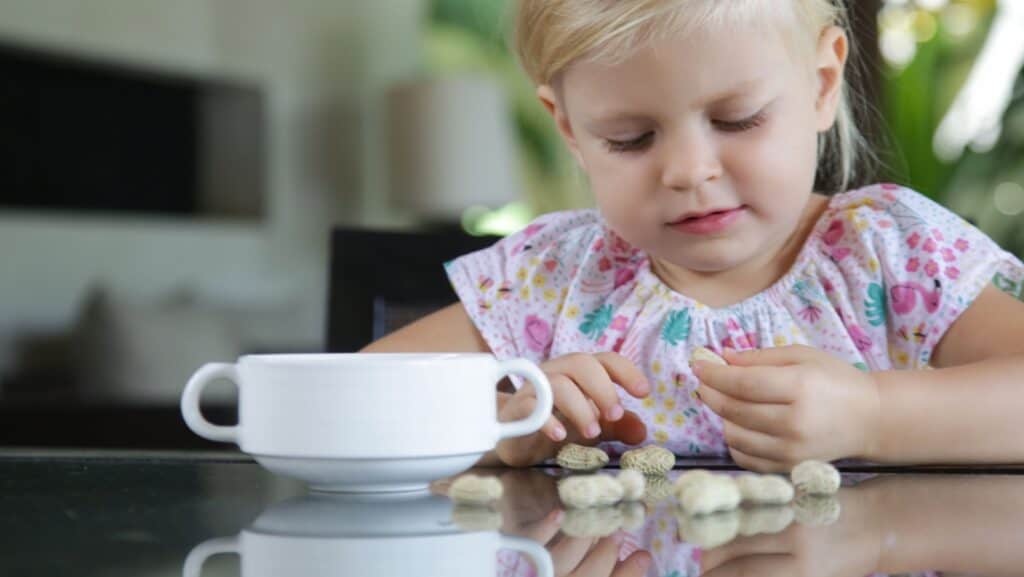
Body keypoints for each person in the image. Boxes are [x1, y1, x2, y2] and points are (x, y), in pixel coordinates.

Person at [364, 0, 1024, 473]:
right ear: (569, 128)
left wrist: (874, 415)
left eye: (737, 119)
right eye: (630, 138)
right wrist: (498, 416)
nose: (688, 172)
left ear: (822, 84)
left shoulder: (888, 252)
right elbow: (360, 397)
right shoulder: (553, 276)